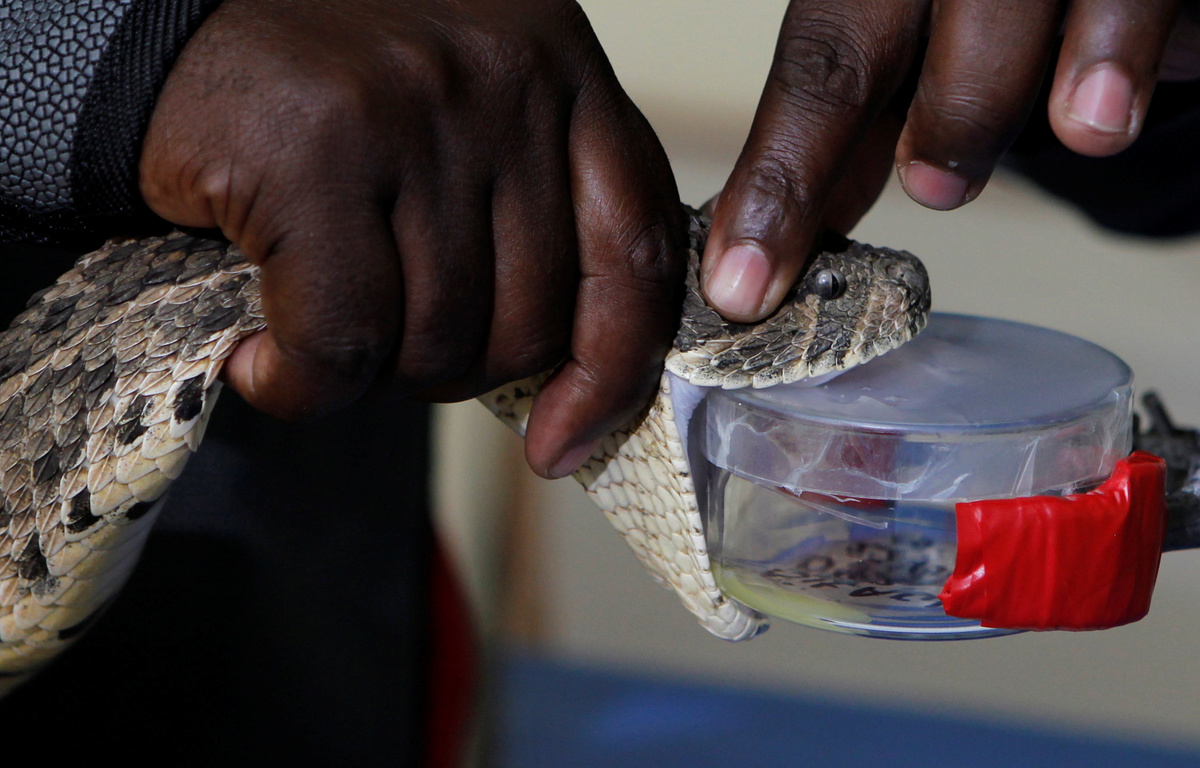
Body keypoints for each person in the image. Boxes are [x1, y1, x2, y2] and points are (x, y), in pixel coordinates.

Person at [1, 1, 1197, 765]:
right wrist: (99, 53)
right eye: (823, 298)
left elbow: (1163, 177)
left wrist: (1115, 68)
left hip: (309, 646)